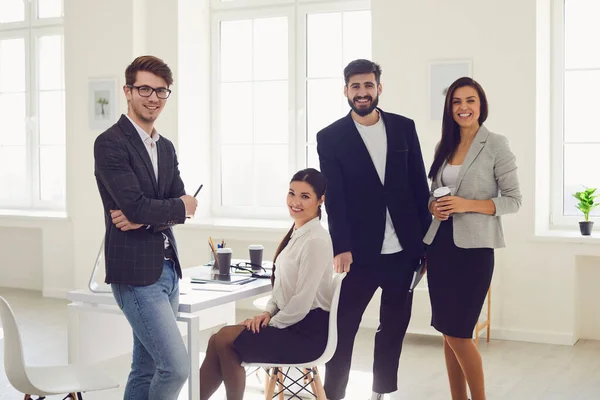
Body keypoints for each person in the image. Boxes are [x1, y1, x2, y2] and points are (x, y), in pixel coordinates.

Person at [316, 59, 432, 400]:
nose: (362, 93)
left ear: (379, 88)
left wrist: (425, 246)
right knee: (343, 328)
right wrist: (341, 247)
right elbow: (334, 196)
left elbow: (417, 187)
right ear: (346, 91)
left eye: (368, 85)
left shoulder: (403, 128)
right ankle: (334, 394)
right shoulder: (330, 137)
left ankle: (381, 392)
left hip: (404, 250)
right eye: (356, 87)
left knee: (393, 328)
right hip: (359, 254)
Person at [94, 55, 198, 400]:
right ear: (128, 91)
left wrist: (147, 216)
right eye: (145, 89)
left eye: (161, 91)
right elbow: (143, 206)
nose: (153, 98)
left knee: (147, 368)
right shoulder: (110, 142)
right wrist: (165, 210)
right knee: (176, 367)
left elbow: (179, 203)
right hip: (135, 274)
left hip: (168, 270)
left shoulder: (165, 148)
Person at [424, 77, 522, 400]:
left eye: (470, 101)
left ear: (481, 105)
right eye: (456, 102)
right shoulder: (444, 146)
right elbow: (431, 193)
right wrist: (434, 207)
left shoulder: (496, 144)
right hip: (441, 249)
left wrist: (467, 205)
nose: (463, 107)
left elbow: (513, 200)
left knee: (459, 334)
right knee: (447, 333)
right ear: (449, 108)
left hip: (474, 253)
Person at [198, 168, 333, 400]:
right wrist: (268, 313)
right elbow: (281, 288)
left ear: (321, 200)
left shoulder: (316, 240)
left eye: (305, 196)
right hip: (291, 323)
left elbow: (301, 303)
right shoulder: (297, 233)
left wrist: (272, 322)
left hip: (306, 334)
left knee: (224, 340)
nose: (295, 202)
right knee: (217, 339)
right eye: (292, 193)